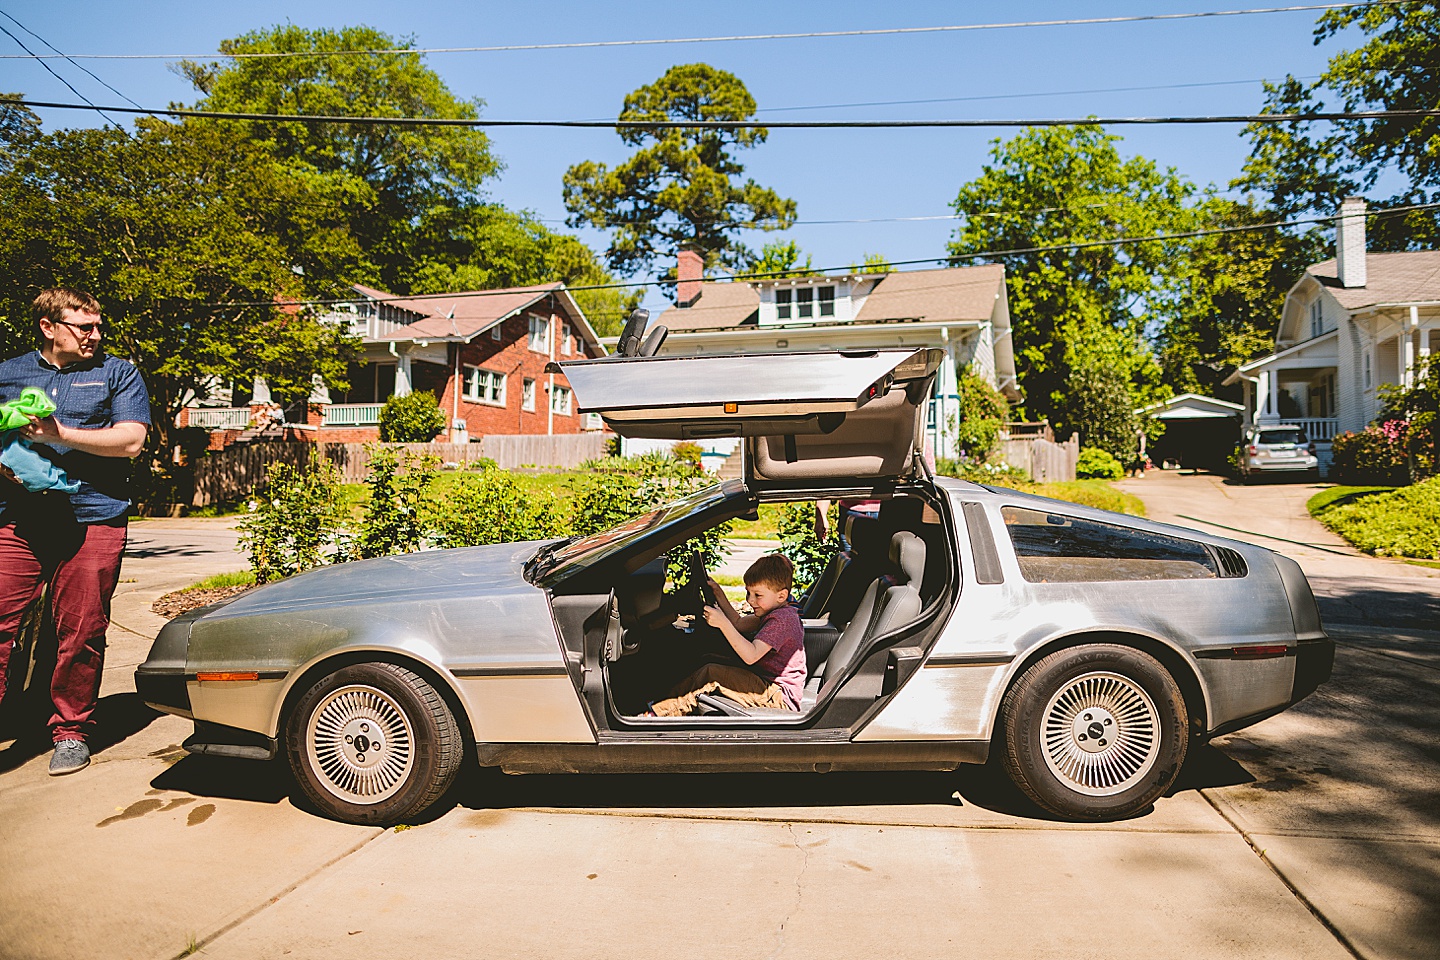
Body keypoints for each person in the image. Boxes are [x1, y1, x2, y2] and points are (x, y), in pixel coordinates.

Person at [0, 288, 150, 775]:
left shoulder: (117, 372)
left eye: (98, 325)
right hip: (18, 520)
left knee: (81, 630)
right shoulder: (7, 373)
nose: (95, 335)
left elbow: (131, 440)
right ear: (49, 327)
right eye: (83, 326)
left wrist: (58, 434)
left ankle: (70, 730)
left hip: (94, 516)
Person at [647, 554, 806, 717]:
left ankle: (655, 716)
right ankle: (660, 702)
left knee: (712, 675)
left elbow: (751, 655)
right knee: (708, 658)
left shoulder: (782, 621)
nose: (750, 600)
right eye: (748, 593)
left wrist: (722, 623)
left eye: (757, 595)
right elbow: (738, 623)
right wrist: (718, 593)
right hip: (765, 683)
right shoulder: (773, 612)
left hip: (779, 696)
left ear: (781, 595)